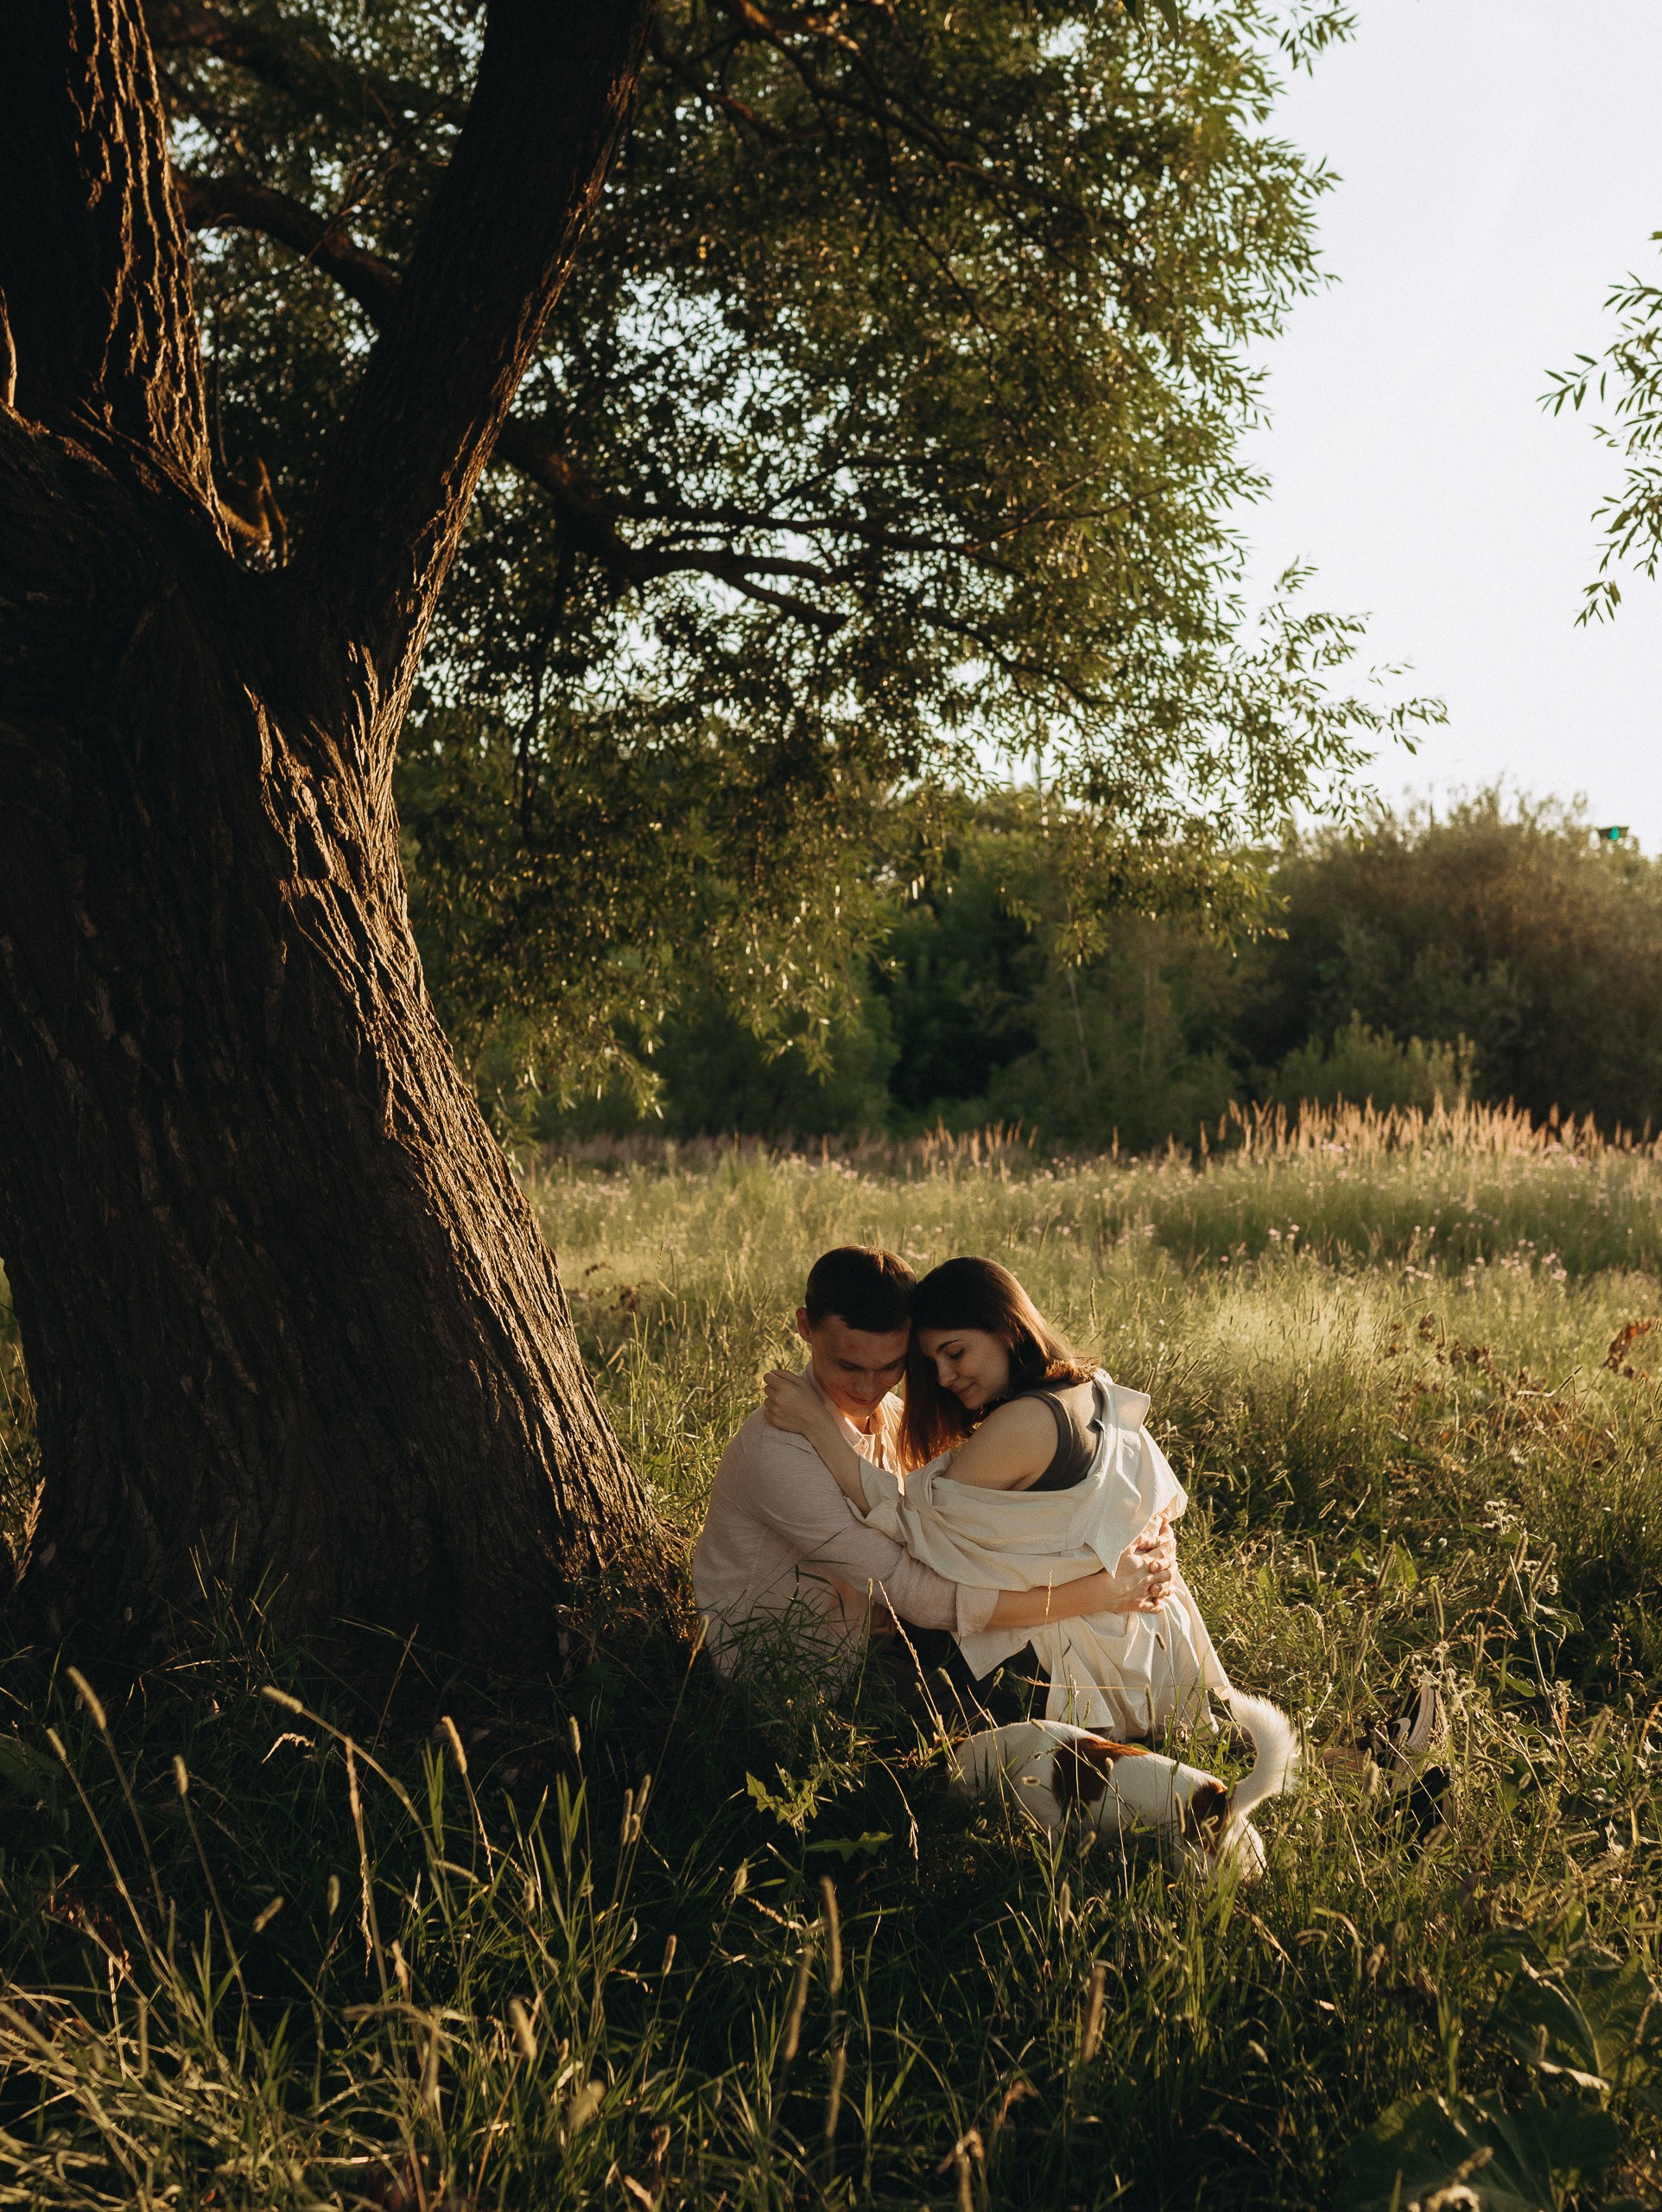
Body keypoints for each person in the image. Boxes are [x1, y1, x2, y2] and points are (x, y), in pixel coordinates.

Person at [762, 1255, 1230, 1738]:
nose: (943, 1377)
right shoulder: (1093, 1391)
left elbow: (912, 1531)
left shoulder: (1024, 1422)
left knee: (879, 1681)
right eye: (930, 1362)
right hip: (1143, 1641)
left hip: (1079, 1656)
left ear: (1006, 1328)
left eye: (956, 1352)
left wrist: (818, 1426)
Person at [692, 1246, 1175, 1684]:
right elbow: (916, 1592)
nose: (868, 1388)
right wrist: (1102, 1592)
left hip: (881, 1646)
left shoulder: (896, 1419)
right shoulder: (781, 1450)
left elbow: (971, 1534)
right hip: (793, 1674)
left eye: (890, 1368)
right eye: (849, 1367)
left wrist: (1140, 1535)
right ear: (805, 1327)